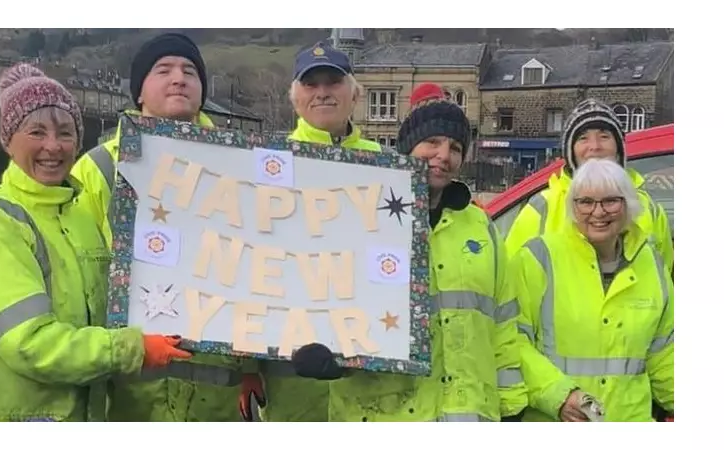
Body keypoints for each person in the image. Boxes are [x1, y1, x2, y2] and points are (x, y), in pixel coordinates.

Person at [272, 83, 527, 422]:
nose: (443, 155)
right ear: (408, 147)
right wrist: (329, 354)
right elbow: (319, 293)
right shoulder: (359, 213)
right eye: (432, 142)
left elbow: (503, 325)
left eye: (455, 147)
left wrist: (512, 407)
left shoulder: (481, 226)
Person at [0, 64, 190, 422]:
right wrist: (130, 349)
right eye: (36, 131)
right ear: (8, 141)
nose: (53, 146)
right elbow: (29, 344)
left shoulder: (79, 219)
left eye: (65, 133)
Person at [71, 33, 252, 422]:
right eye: (164, 69)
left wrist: (258, 362)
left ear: (203, 91)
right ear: (139, 92)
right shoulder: (98, 167)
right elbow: (78, 273)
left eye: (190, 71)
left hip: (214, 396)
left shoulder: (236, 166)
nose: (179, 78)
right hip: (132, 391)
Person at [238, 42, 381, 423]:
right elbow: (241, 264)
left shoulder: (387, 168)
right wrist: (248, 365)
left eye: (333, 82)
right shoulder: (264, 166)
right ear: (295, 99)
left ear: (354, 94)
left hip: (368, 368)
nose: (322, 92)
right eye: (310, 83)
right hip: (289, 370)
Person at [510, 158, 673, 422]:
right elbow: (512, 340)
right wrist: (559, 395)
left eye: (610, 201)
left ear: (628, 205)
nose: (598, 212)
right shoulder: (538, 258)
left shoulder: (651, 263)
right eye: (585, 202)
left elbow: (666, 352)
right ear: (572, 207)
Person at [504, 99, 673, 273]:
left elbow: (663, 278)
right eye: (583, 138)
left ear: (619, 149)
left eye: (604, 137)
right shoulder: (541, 207)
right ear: (571, 152)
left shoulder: (649, 209)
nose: (595, 147)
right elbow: (512, 277)